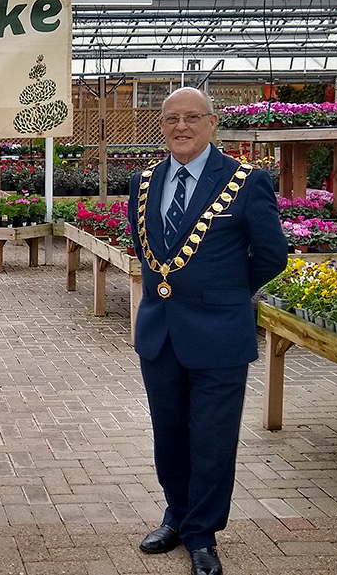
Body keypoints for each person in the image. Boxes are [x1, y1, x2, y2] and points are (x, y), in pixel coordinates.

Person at [127, 87, 287, 575]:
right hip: (160, 333)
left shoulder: (246, 181)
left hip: (220, 335)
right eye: (171, 118)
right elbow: (142, 244)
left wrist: (227, 293)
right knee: (169, 433)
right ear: (161, 124)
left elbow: (272, 254)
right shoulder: (144, 180)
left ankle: (202, 534)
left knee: (213, 439)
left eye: (192, 117)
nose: (181, 126)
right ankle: (176, 515)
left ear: (212, 123)